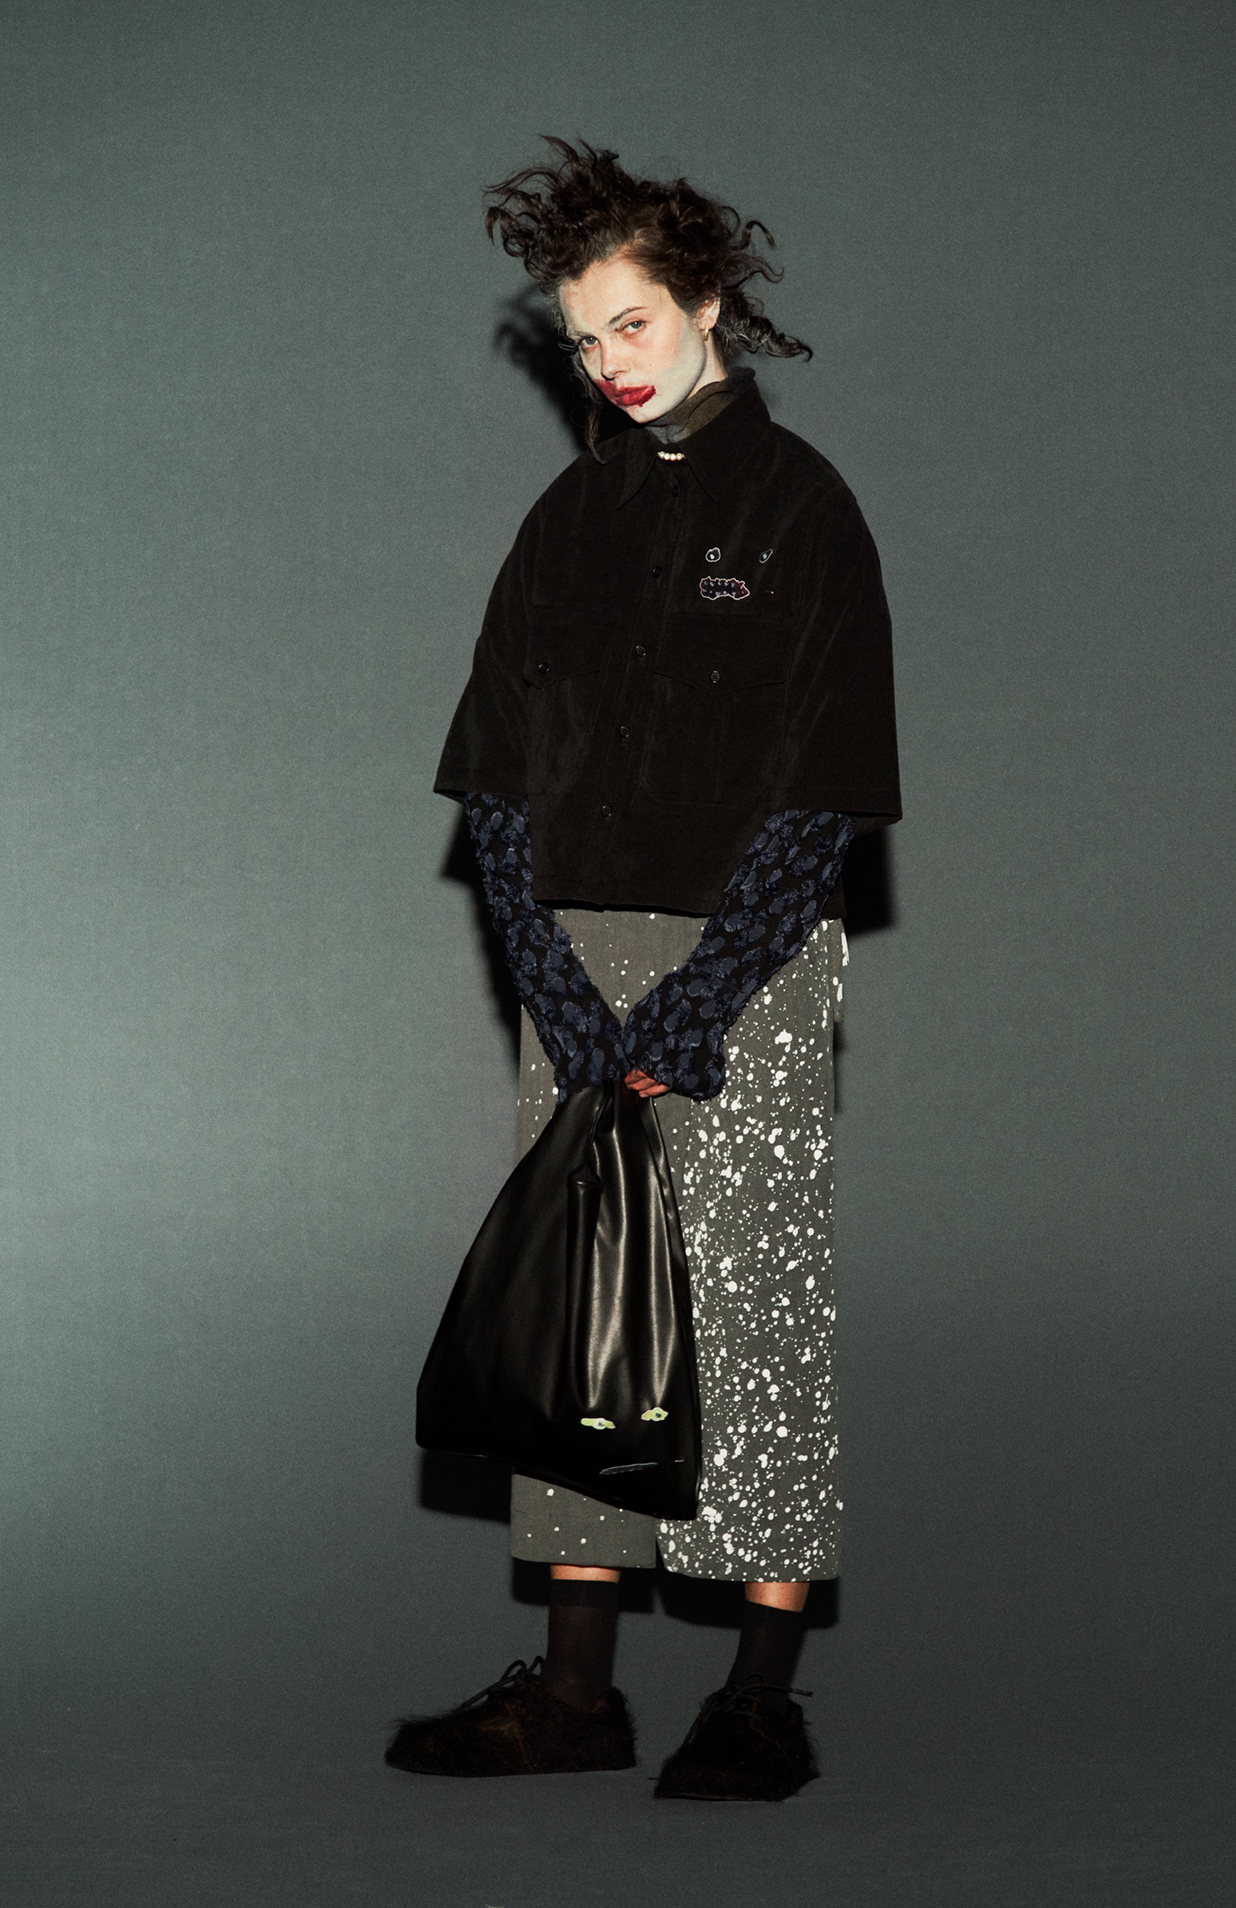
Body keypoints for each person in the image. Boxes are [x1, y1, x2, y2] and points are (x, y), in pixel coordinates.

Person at [385, 139, 900, 1801]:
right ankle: (576, 1696)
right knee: (580, 1313)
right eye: (581, 338)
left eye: (630, 324)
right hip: (575, 968)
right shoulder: (566, 515)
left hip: (744, 965)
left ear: (706, 303)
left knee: (749, 1313)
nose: (608, 361)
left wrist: (696, 1002)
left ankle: (756, 1701)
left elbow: (825, 792)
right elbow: (494, 778)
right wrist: (549, 978)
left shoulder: (802, 509)